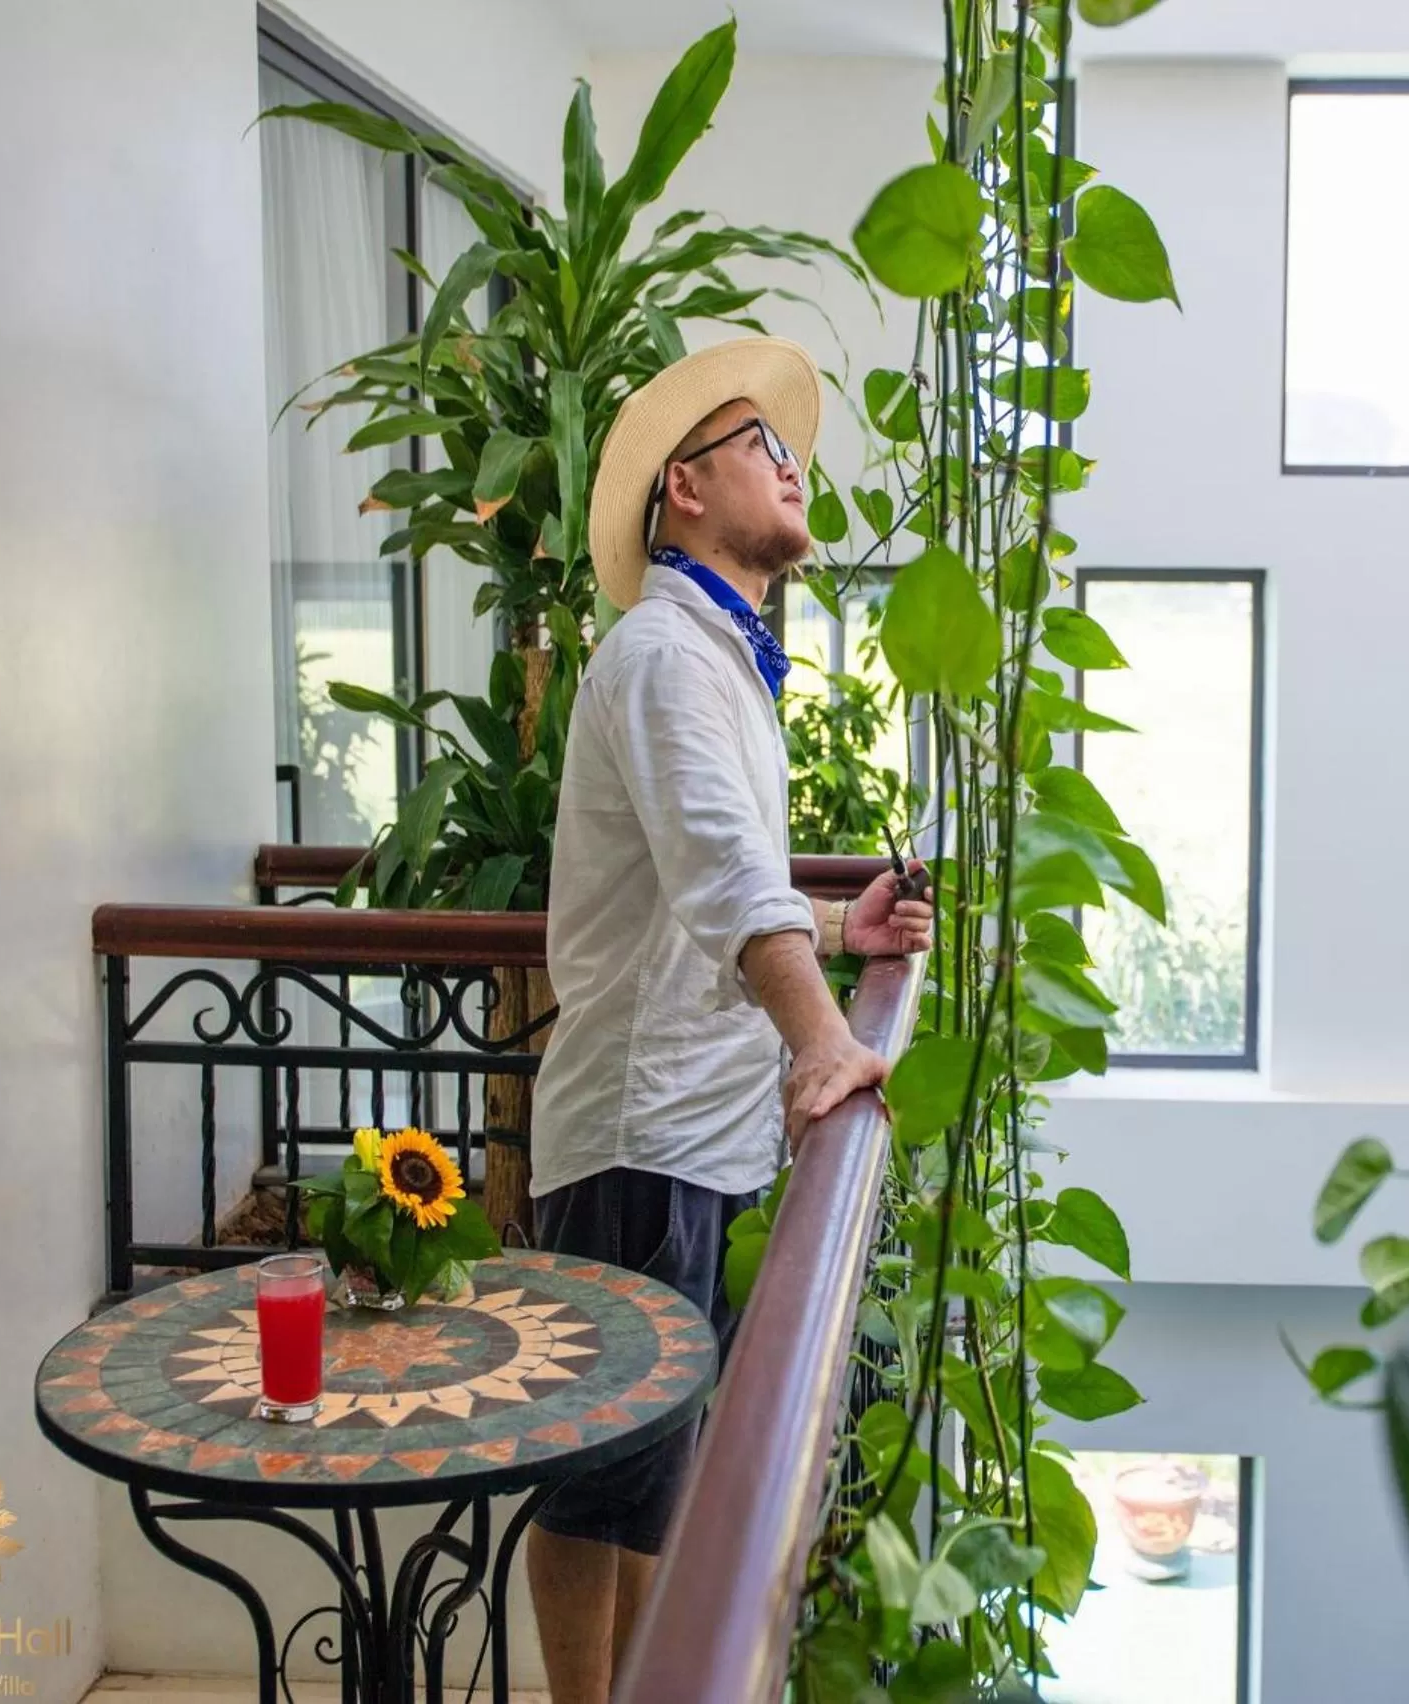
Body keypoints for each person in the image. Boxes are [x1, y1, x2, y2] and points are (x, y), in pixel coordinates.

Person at [523, 336, 933, 1704]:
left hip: (681, 1138)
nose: (793, 461)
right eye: (764, 443)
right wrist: (824, 1037)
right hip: (639, 1140)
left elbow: (703, 890)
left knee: (647, 1484)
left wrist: (840, 933)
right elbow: (720, 867)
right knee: (600, 1483)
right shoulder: (662, 655)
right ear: (683, 492)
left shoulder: (714, 661)